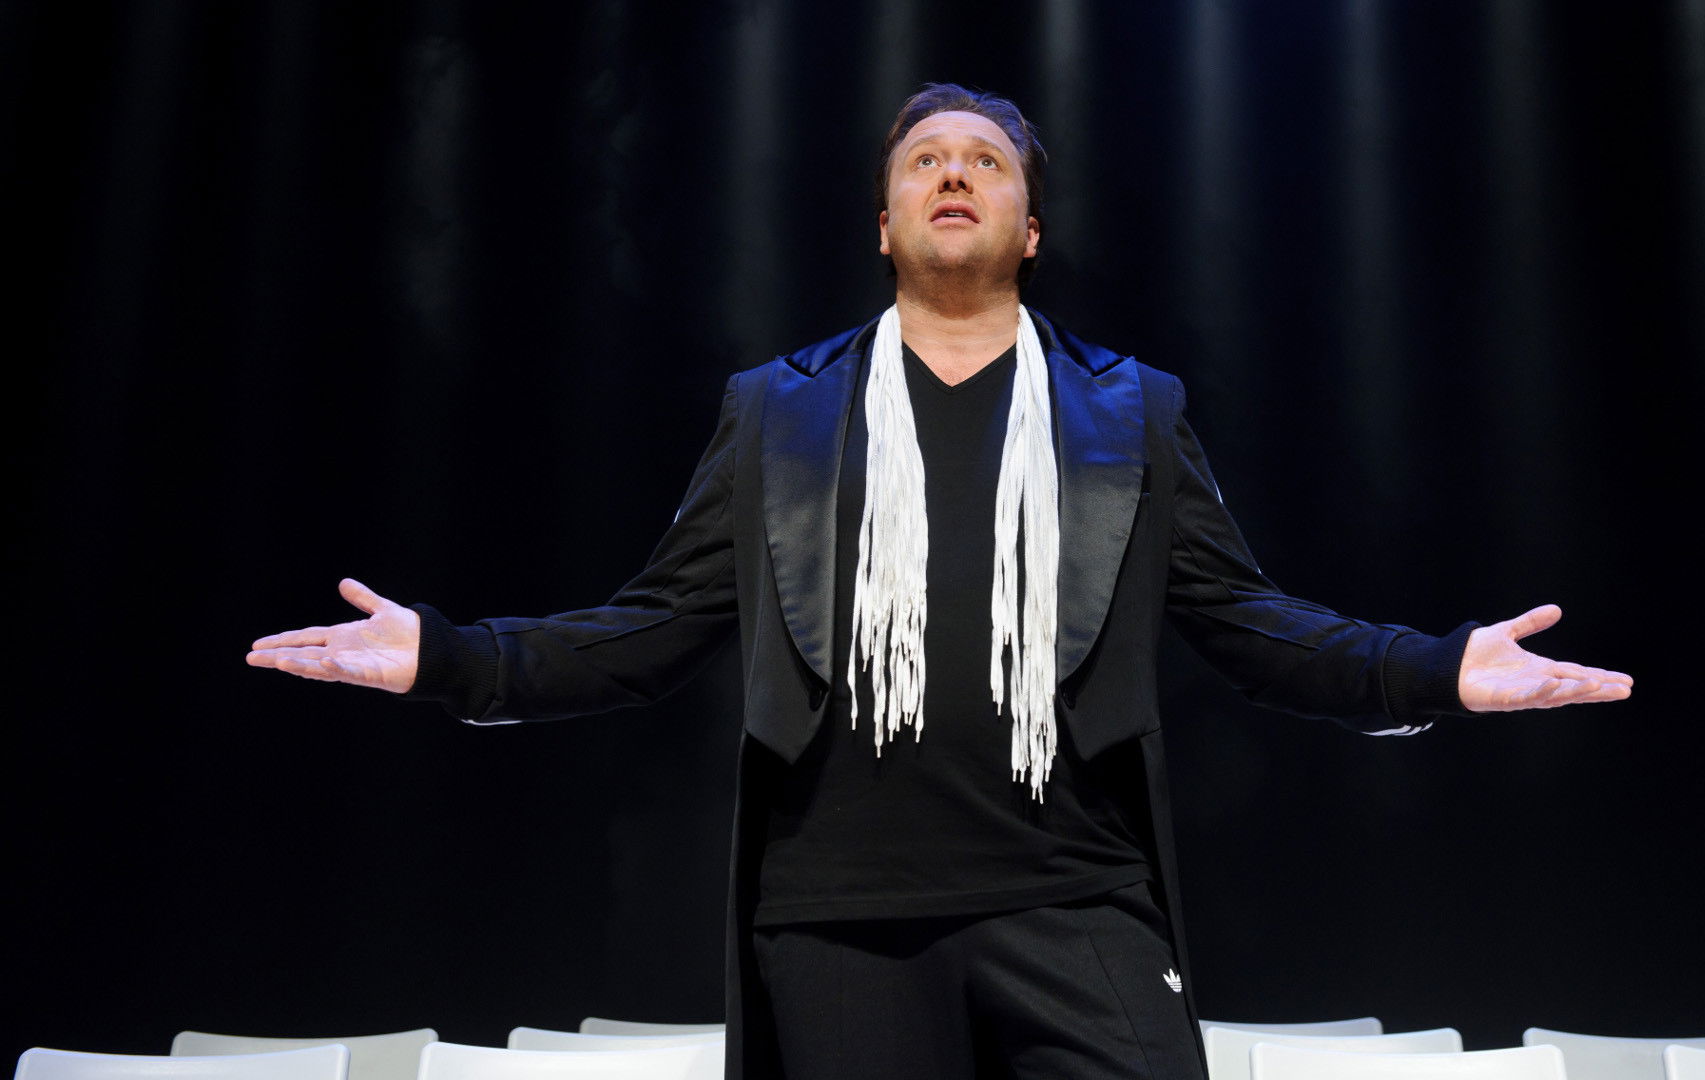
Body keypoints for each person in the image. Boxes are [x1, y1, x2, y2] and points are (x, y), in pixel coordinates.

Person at [247, 84, 1632, 1080]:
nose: (954, 173)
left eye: (986, 161)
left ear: (1029, 227)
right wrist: (450, 659)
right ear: (885, 220)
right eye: (925, 160)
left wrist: (1436, 668)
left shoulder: (1130, 413)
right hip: (838, 918)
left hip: (1075, 897)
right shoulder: (779, 413)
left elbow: (1250, 625)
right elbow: (652, 629)